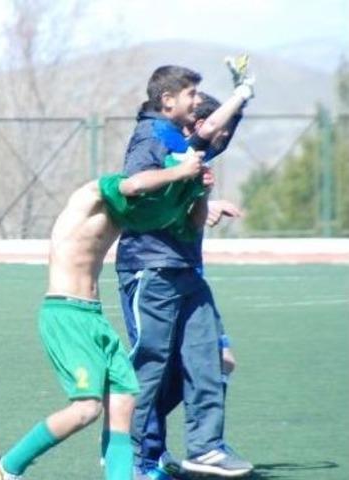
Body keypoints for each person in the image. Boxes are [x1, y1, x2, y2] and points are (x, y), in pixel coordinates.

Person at [0, 144, 213, 480]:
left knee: (123, 404)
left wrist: (203, 193)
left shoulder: (134, 214)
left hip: (94, 317)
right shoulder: (94, 193)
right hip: (64, 314)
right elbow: (135, 186)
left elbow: (190, 226)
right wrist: (182, 172)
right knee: (86, 409)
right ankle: (8, 468)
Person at [114, 65, 254, 479]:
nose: (198, 101)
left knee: (209, 356)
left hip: (185, 268)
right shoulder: (149, 136)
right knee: (151, 365)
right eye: (191, 93)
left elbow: (211, 133)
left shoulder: (179, 138)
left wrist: (243, 95)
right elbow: (133, 185)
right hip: (150, 266)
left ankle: (207, 447)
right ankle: (134, 459)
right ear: (167, 100)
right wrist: (184, 174)